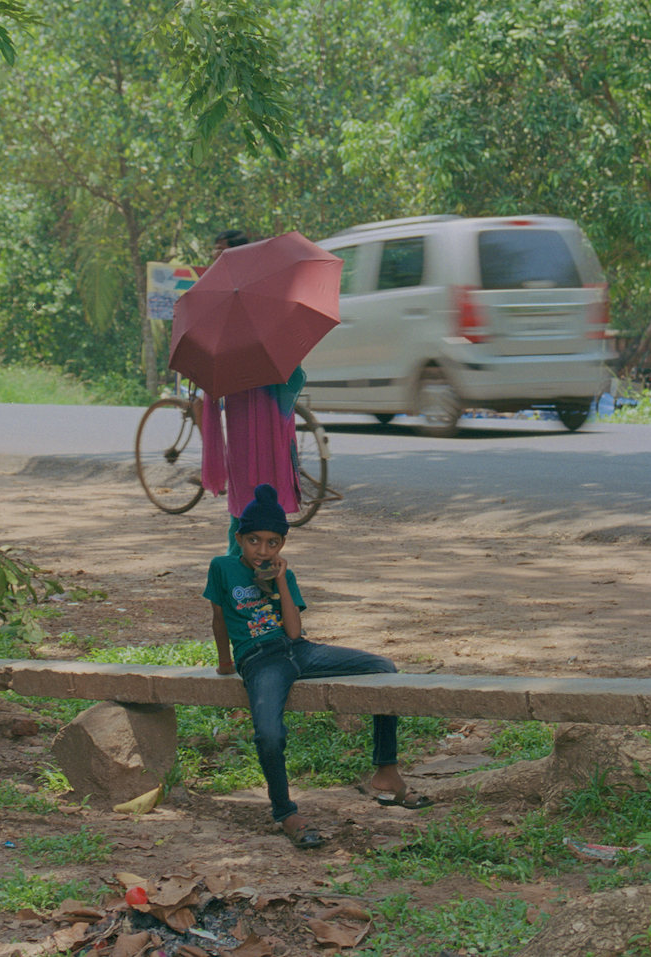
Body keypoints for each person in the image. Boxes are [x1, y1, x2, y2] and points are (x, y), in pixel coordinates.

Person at [204, 483, 432, 849]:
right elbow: (218, 618)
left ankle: (386, 771)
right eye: (254, 541)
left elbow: (294, 633)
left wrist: (278, 580)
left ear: (282, 545)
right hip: (260, 660)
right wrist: (225, 662)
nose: (263, 550)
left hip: (299, 651)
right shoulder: (222, 568)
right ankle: (285, 811)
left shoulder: (283, 575)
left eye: (273, 542)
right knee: (269, 734)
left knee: (384, 668)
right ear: (239, 537)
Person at [197, 227, 308, 555]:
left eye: (219, 251)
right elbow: (297, 374)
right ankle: (253, 559)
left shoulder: (220, 305)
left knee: (246, 493)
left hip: (247, 411)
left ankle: (241, 561)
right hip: (263, 414)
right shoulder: (270, 299)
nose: (214, 258)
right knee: (260, 489)